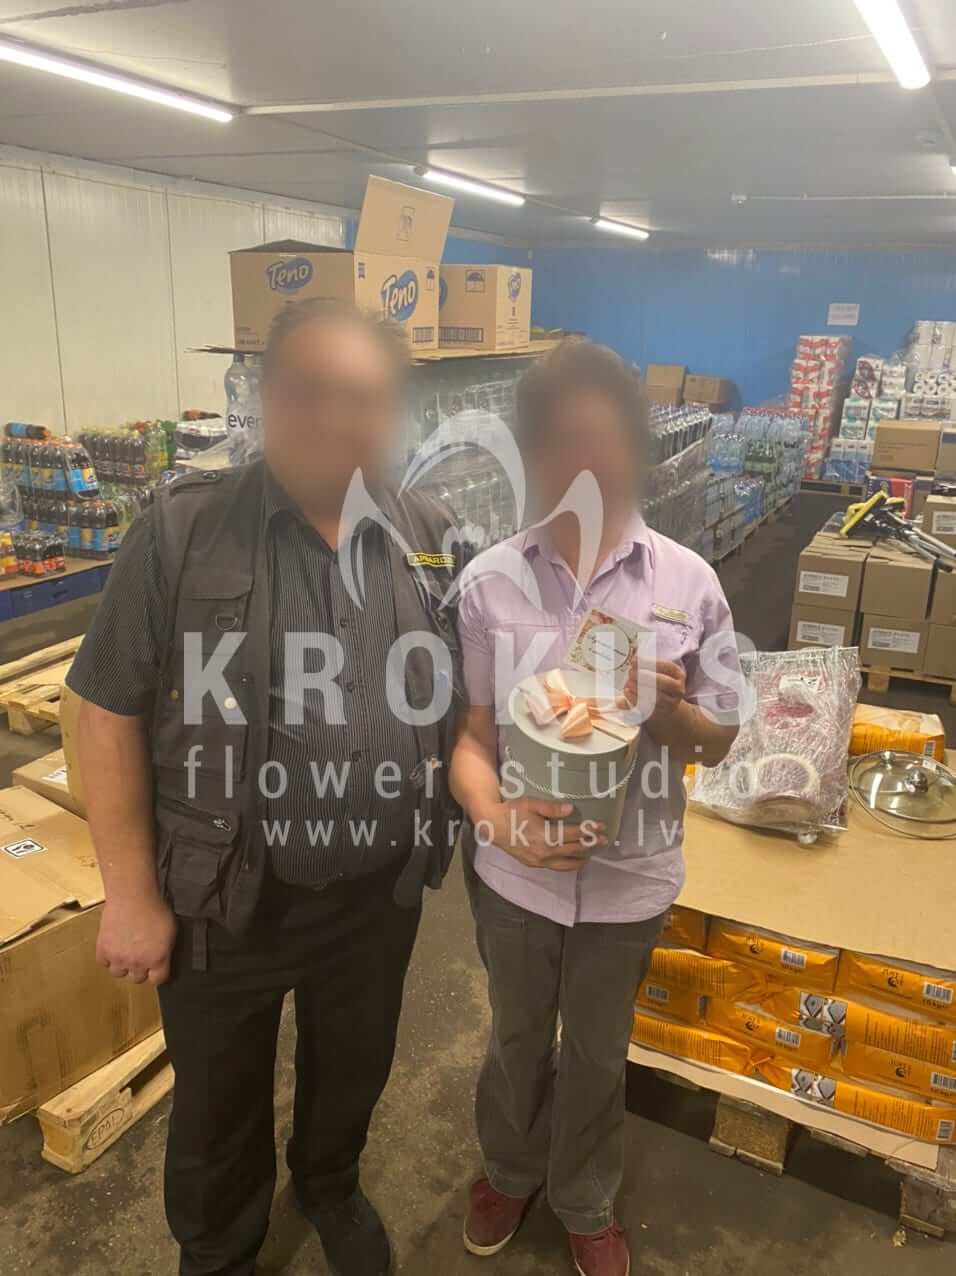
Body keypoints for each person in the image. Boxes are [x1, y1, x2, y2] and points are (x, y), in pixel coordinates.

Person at [67, 301, 463, 1276]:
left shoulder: (426, 532)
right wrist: (129, 894)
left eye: (362, 397)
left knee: (354, 1064)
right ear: (269, 399)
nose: (336, 418)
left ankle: (328, 1182)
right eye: (310, 390)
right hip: (225, 891)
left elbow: (459, 698)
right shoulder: (184, 532)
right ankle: (219, 1248)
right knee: (217, 1098)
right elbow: (104, 712)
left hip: (377, 891)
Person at [450, 340, 740, 1276]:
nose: (582, 462)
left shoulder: (688, 585)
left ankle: (584, 1199)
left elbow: (719, 741)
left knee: (599, 1052)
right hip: (514, 879)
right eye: (559, 442)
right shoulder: (489, 582)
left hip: (629, 877)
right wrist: (498, 823)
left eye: (602, 439)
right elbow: (471, 740)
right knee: (515, 1036)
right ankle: (508, 1169)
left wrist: (670, 714)